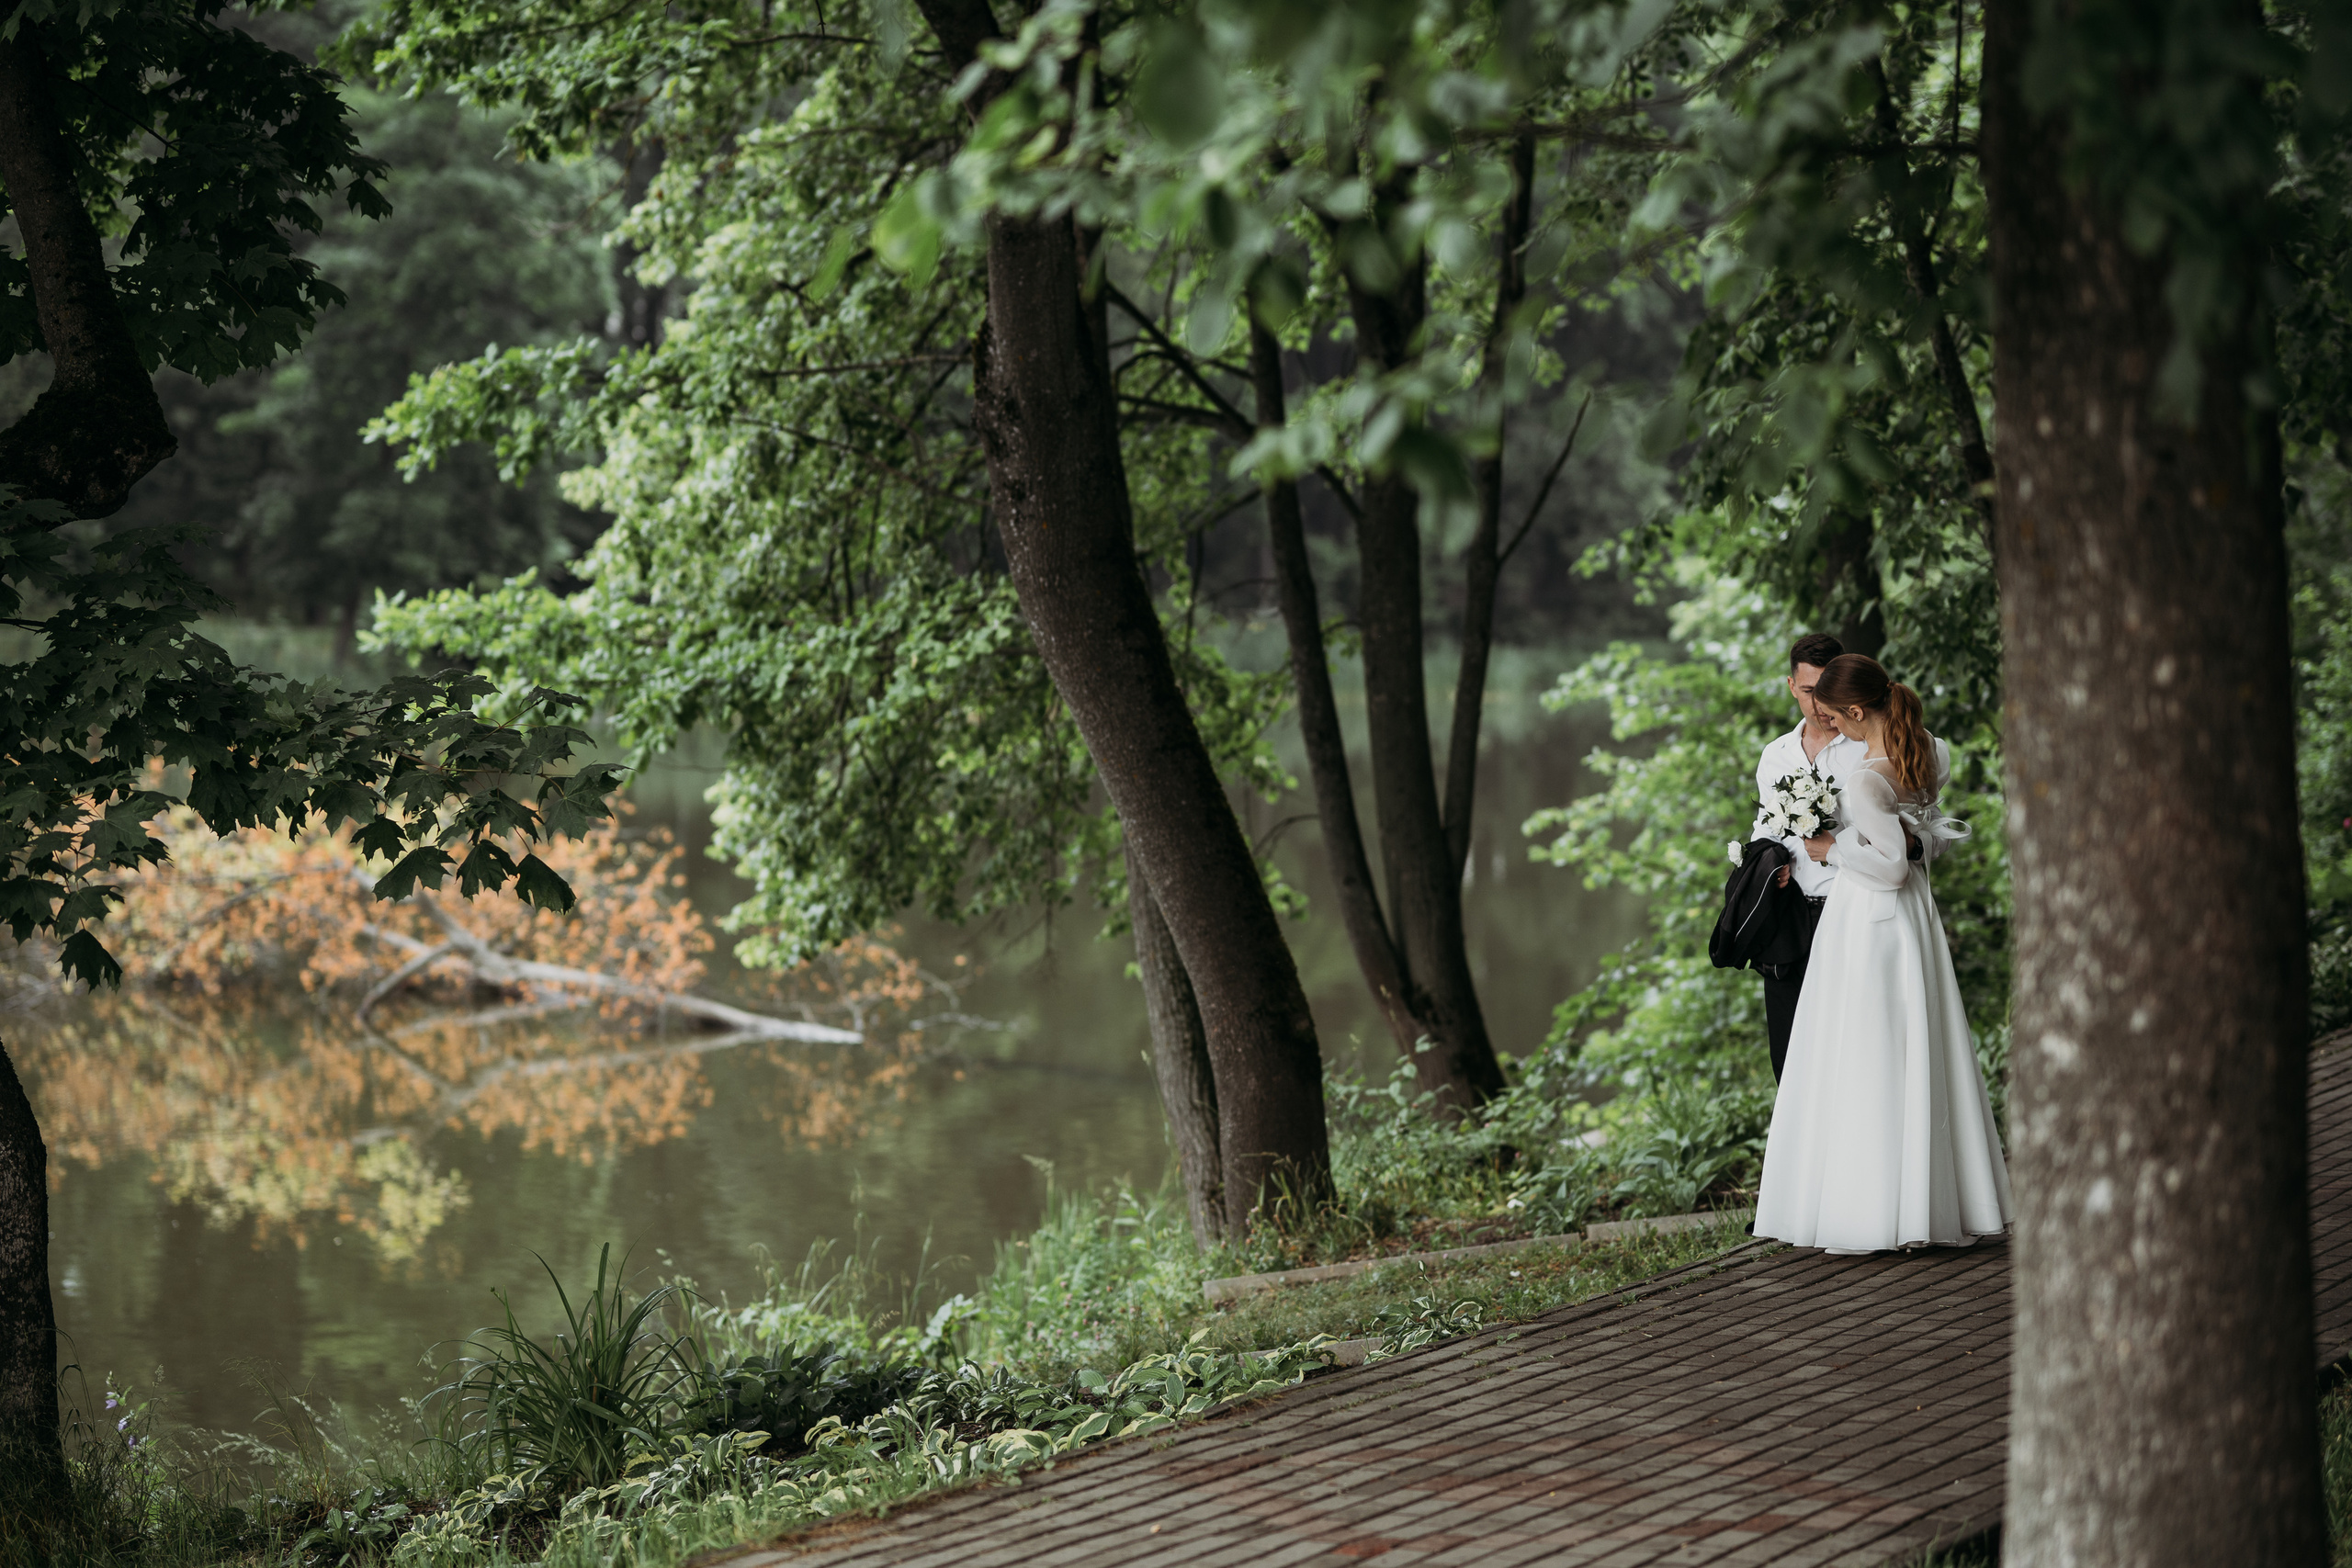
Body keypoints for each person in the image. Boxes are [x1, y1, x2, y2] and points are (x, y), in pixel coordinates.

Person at [1752, 654, 2013, 1254]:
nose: (1829, 724)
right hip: (1914, 921)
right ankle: (1928, 1198)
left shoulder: (1866, 777)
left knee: (1867, 1049)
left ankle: (1874, 1207)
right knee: (1915, 1043)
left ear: (1854, 711)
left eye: (1834, 715)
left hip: (1870, 917)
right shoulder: (1922, 756)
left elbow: (1890, 864)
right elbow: (1922, 842)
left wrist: (1828, 849)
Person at [1749, 633, 1862, 1080]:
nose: (1820, 706)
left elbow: (1910, 835)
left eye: (1829, 692)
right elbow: (1764, 827)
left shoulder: (1868, 749)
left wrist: (1838, 849)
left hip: (1851, 913)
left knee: (1850, 1051)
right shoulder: (1775, 755)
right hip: (1790, 919)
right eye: (1810, 692)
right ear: (1792, 686)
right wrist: (1767, 863)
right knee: (1790, 1056)